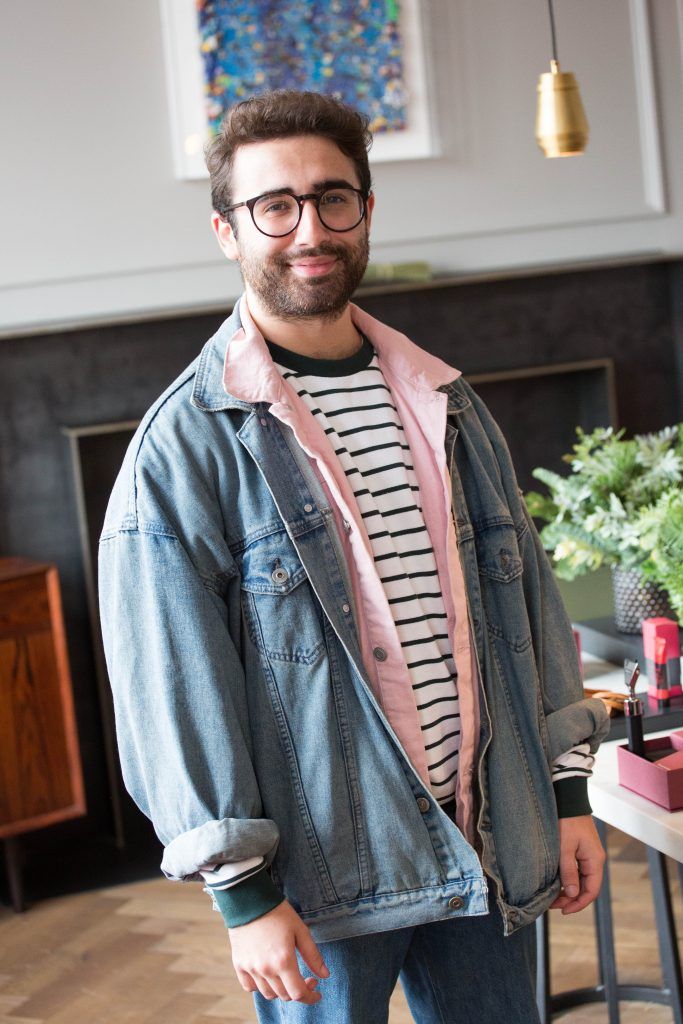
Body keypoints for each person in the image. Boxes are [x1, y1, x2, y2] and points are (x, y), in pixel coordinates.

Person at [98, 89, 611, 1023]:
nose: (308, 229)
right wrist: (243, 893)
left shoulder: (445, 400)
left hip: (488, 830)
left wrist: (564, 794)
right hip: (326, 876)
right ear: (227, 230)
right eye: (274, 206)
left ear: (365, 211)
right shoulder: (186, 445)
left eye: (332, 199)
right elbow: (171, 683)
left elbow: (525, 612)